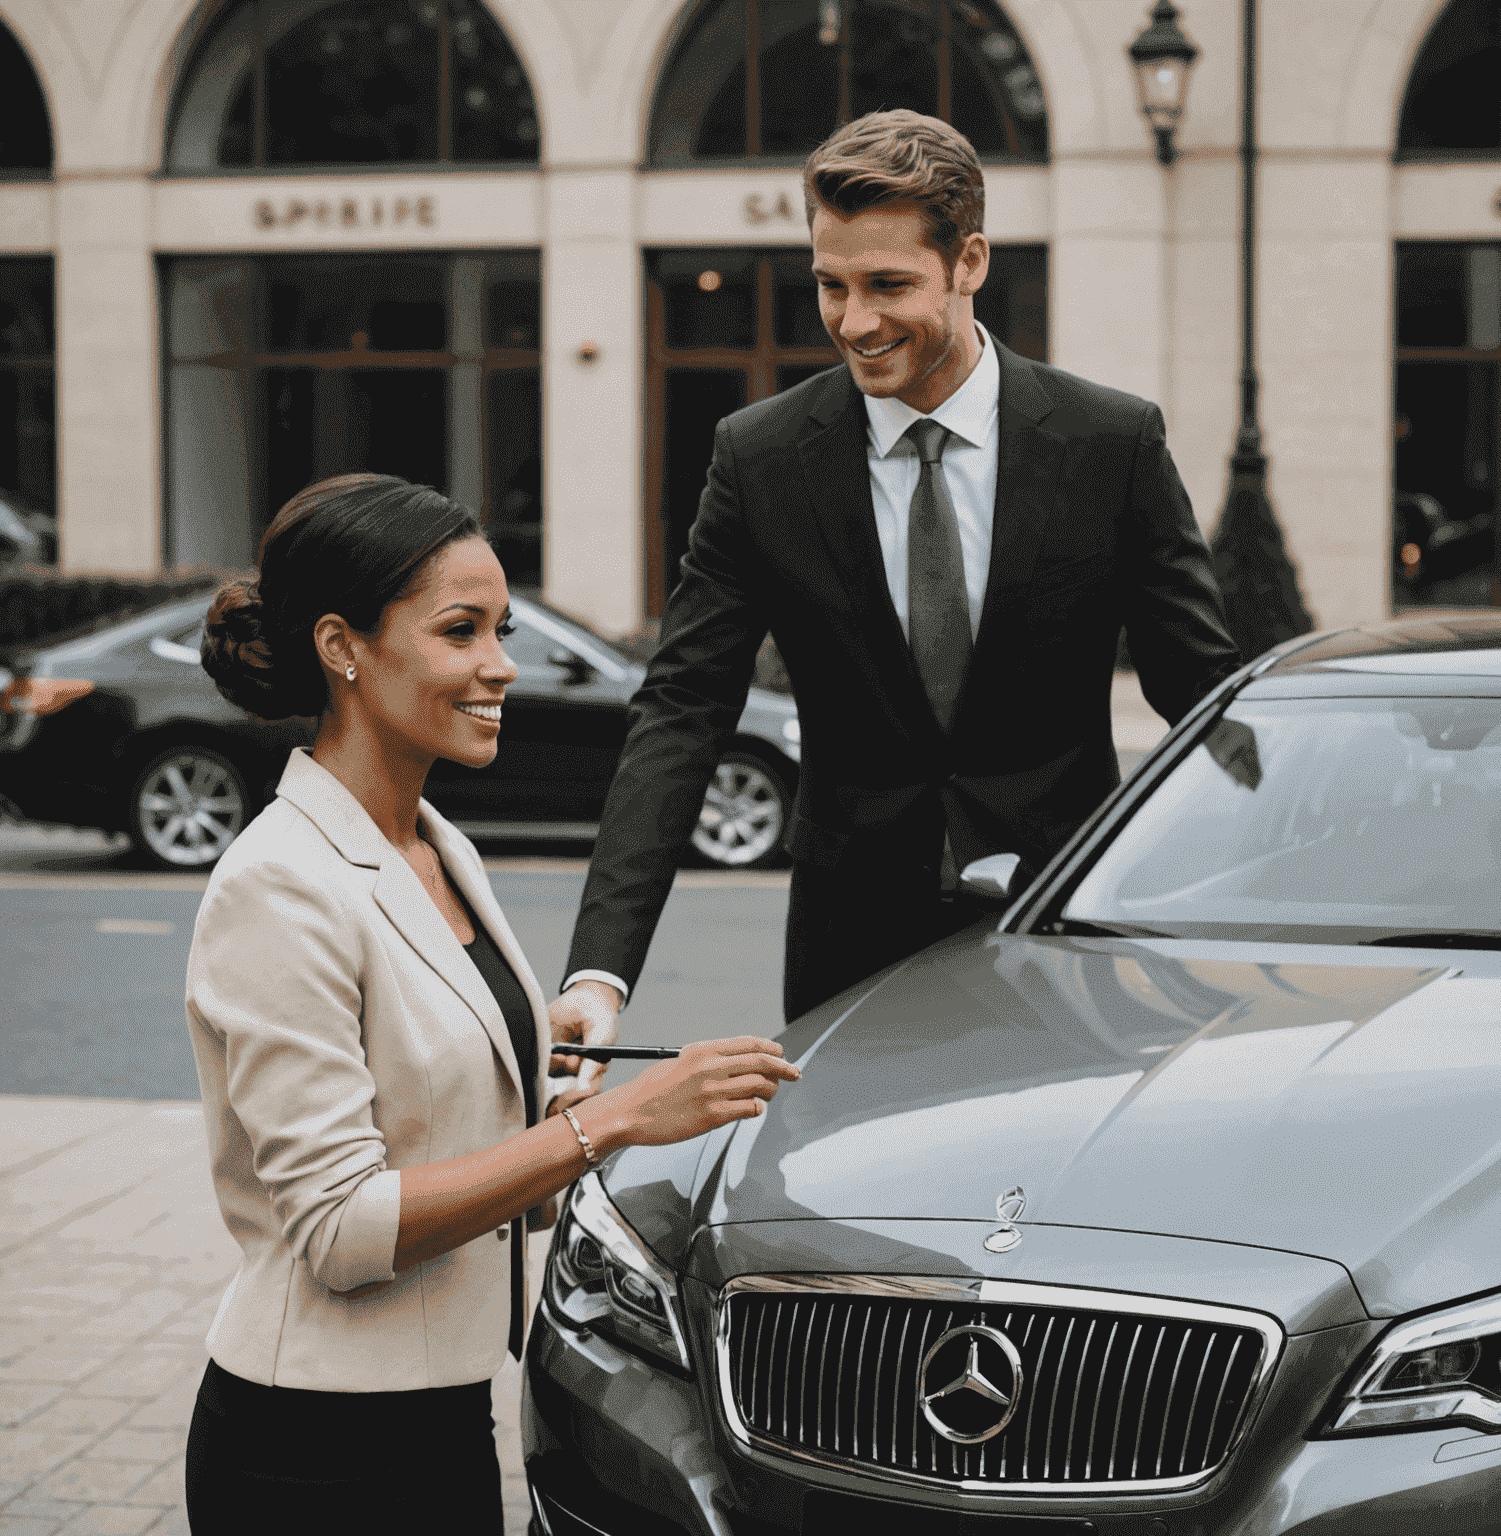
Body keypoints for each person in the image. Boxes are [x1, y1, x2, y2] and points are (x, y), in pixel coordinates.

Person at [183, 472, 797, 1533]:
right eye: (460, 631)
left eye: (501, 629)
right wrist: (614, 1121)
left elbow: (448, 1112)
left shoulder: (434, 844)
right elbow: (340, 1227)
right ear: (344, 647)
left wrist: (562, 1079)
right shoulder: (278, 882)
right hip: (312, 1445)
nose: (501, 666)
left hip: (447, 1411)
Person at [553, 108, 1241, 1052]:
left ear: (971, 264)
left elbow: (1198, 695)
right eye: (831, 286)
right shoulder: (759, 459)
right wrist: (601, 969)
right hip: (852, 952)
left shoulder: (1110, 444)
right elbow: (683, 708)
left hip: (1063, 942)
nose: (856, 322)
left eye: (889, 284)